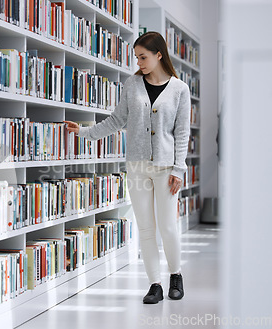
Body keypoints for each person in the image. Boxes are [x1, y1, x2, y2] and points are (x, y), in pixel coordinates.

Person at [64, 31, 190, 304]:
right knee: (145, 227)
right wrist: (84, 133)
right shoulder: (132, 85)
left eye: (144, 57)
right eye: (137, 57)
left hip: (166, 168)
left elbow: (182, 133)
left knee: (167, 225)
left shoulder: (180, 89)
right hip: (136, 166)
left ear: (159, 55)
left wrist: (178, 169)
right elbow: (116, 120)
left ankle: (175, 275)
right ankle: (154, 283)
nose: (140, 63)